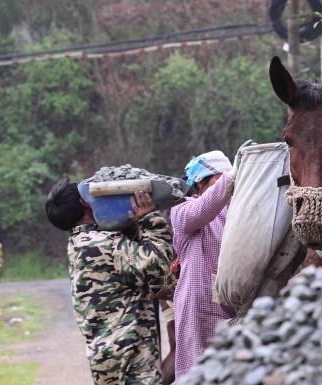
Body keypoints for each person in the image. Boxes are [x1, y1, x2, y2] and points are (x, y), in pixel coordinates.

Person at [45, 179, 176, 385]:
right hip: (129, 358)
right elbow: (159, 263)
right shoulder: (103, 244)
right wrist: (151, 218)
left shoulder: (82, 241)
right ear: (84, 203)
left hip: (112, 357)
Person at [171, 142, 251, 376]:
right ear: (201, 183)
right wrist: (232, 176)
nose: (230, 186)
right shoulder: (183, 213)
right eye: (219, 179)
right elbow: (206, 207)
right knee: (198, 372)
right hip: (197, 309)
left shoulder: (238, 213)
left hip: (233, 305)